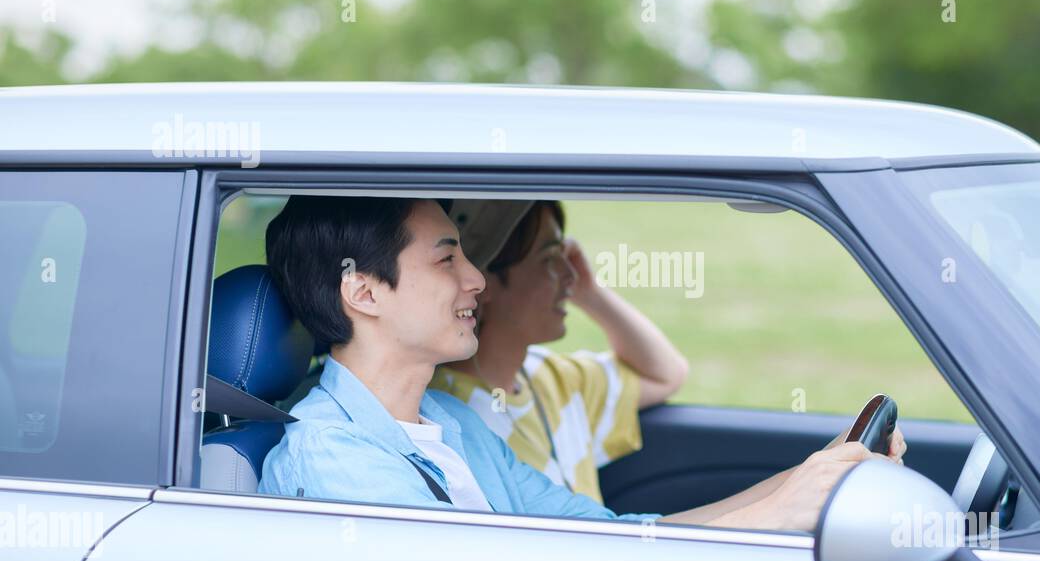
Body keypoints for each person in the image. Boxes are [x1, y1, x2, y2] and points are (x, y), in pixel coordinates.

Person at [260, 195, 900, 532]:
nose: (477, 280)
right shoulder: (332, 458)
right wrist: (775, 515)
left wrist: (804, 483)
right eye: (446, 260)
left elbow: (610, 537)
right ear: (363, 291)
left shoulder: (451, 424)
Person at [431, 199, 686, 504]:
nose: (571, 275)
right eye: (550, 258)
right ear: (482, 281)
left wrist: (592, 293)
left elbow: (666, 375)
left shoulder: (555, 379)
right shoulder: (443, 411)